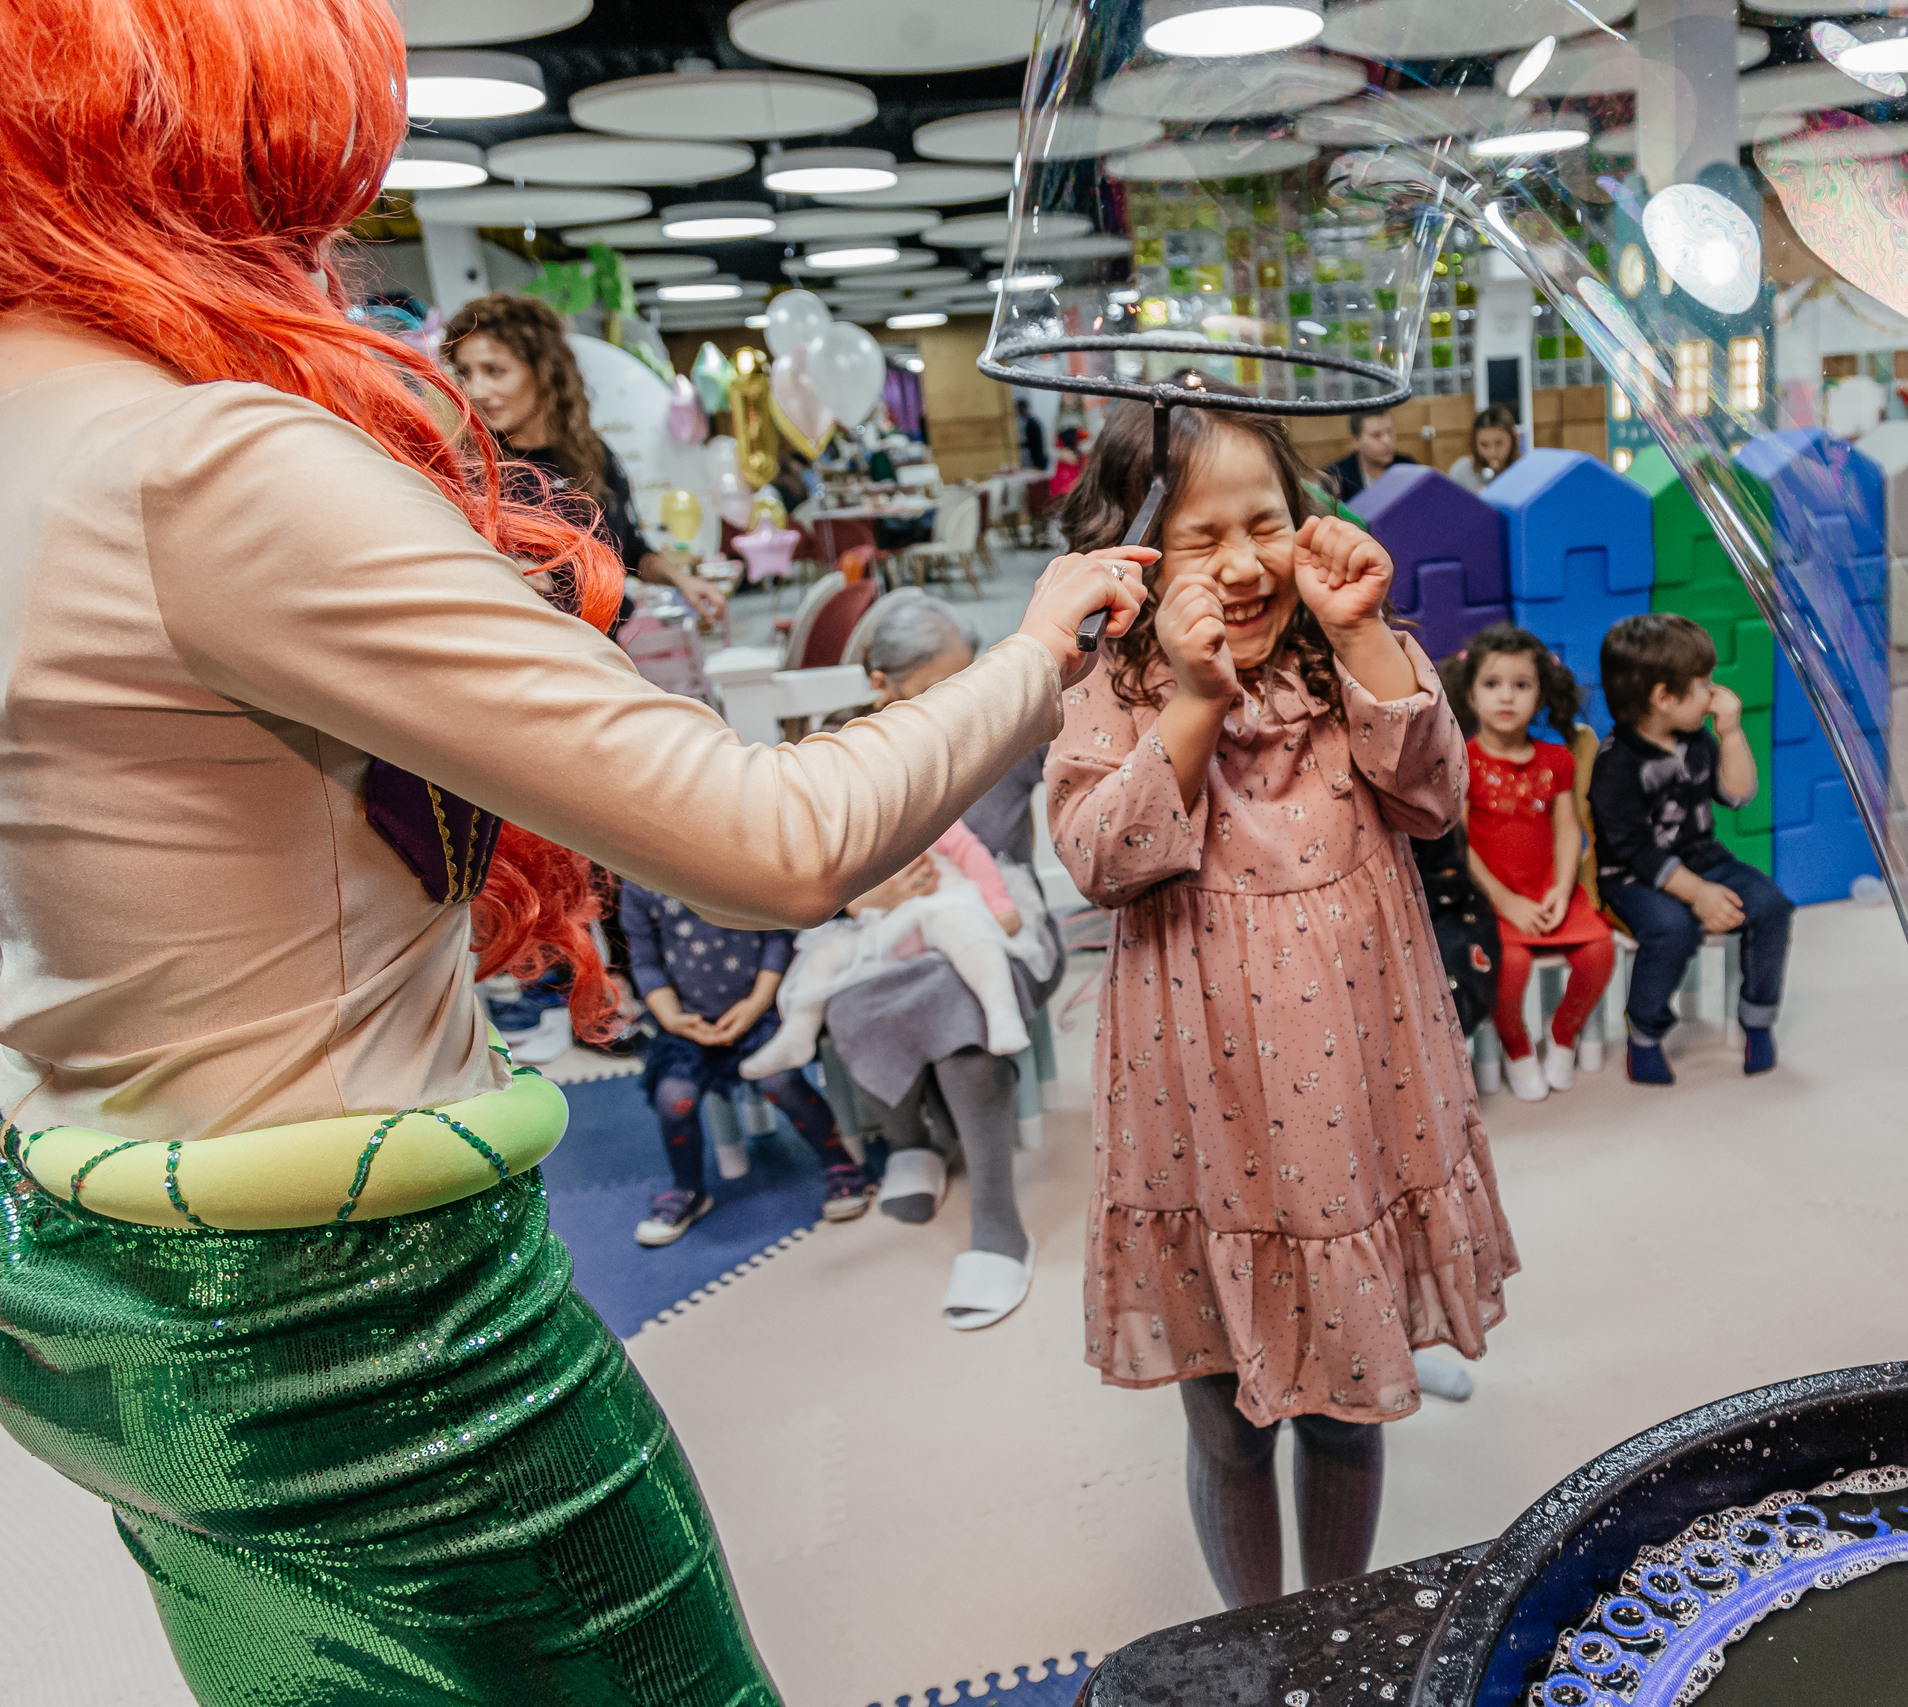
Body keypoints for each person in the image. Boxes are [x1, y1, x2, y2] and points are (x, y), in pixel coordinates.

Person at [0, 2, 1148, 1692]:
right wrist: (1038, 651)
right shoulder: (196, 467)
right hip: (361, 1327)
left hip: (109, 1288)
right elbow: (772, 839)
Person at [1047, 391, 1516, 1608]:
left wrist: (1362, 636)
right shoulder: (1115, 689)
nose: (1244, 564)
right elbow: (1100, 857)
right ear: (1137, 549)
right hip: (1202, 1117)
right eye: (1203, 540)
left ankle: (1337, 1621)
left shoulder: (1346, 652)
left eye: (1266, 524)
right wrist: (1196, 704)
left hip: (1359, 1104)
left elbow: (1431, 802)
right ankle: (1259, 1636)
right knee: (1229, 1428)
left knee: (1351, 1417)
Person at [816, 590, 1058, 1330]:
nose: (954, 705)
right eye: (930, 691)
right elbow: (810, 867)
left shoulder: (1007, 733)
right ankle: (911, 1143)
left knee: (962, 996)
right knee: (850, 994)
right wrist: (863, 897)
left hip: (997, 917)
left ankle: (996, 1218)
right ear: (881, 685)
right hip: (887, 925)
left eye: (964, 682)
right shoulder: (843, 751)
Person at [1588, 613, 1793, 1085]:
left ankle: (1757, 1020)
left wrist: (1732, 733)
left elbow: (1738, 795)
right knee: (1671, 929)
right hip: (1633, 876)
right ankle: (1645, 1032)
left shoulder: (1695, 739)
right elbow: (1637, 851)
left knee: (1772, 907)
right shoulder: (1616, 764)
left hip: (1702, 857)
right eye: (1702, 683)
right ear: (1663, 697)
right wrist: (1698, 894)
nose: (1712, 693)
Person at [443, 292, 731, 622]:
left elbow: (630, 549)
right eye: (464, 373)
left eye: (495, 371)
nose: (475, 390)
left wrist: (683, 581)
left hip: (603, 650)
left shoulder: (590, 454)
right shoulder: (470, 472)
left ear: (544, 370)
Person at [623, 883, 870, 1245]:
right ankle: (688, 1189)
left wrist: (756, 1003)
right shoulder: (638, 884)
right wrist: (672, 1017)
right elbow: (645, 961)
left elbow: (775, 937)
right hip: (687, 1026)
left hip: (759, 1014)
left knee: (781, 1083)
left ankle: (838, 1162)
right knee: (674, 1099)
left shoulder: (730, 859)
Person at [1444, 625, 1615, 1101]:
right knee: (1509, 965)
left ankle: (1564, 1034)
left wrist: (1562, 890)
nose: (1507, 697)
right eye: (1492, 684)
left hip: (1548, 887)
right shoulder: (1463, 760)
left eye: (1521, 685)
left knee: (1600, 951)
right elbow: (1460, 844)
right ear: (1470, 692)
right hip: (1491, 897)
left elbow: (1567, 830)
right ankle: (1517, 1046)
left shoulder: (1558, 759)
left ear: (1541, 695)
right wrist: (1506, 901)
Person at [1321, 407, 1414, 506]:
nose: (1387, 441)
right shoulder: (1337, 476)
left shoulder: (1408, 467)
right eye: (1376, 435)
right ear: (1356, 440)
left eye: (1389, 432)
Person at [1445, 405, 1523, 493]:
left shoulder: (1527, 470)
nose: (1492, 453)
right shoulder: (1462, 472)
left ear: (1516, 438)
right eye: (1484, 445)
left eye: (1499, 443)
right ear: (1475, 443)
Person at [1018, 395, 1051, 471]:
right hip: (1037, 459)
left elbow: (1034, 442)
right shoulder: (1031, 422)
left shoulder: (1032, 423)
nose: (1019, 412)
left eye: (1020, 409)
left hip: (1038, 459)